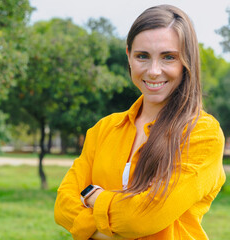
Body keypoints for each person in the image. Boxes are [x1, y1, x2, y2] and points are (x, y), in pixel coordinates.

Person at [54, 4, 226, 240]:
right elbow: (63, 204)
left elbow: (142, 217)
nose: (154, 71)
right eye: (142, 56)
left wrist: (94, 199)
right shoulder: (104, 129)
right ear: (129, 56)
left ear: (186, 61)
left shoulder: (202, 133)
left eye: (168, 57)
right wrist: (111, 230)